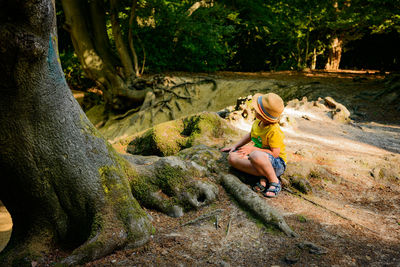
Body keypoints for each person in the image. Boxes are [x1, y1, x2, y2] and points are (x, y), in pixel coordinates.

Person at [221, 93, 287, 198]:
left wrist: (252, 149)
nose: (254, 109)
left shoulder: (274, 131)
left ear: (262, 114)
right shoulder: (258, 122)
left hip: (276, 164)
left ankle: (274, 180)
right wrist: (235, 146)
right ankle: (263, 176)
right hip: (258, 159)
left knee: (256, 155)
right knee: (232, 157)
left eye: (257, 109)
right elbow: (251, 135)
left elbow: (275, 154)